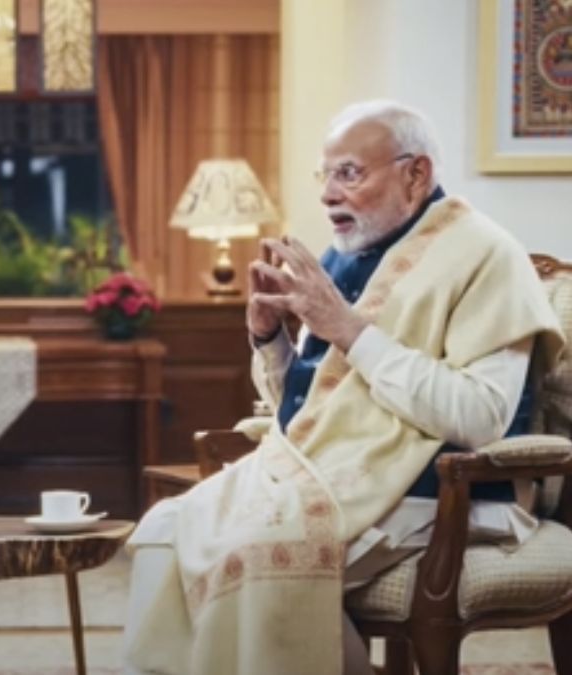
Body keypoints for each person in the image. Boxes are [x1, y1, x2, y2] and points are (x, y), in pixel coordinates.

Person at [122, 100, 565, 675]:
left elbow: (481, 418)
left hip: (443, 490)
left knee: (256, 557)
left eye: (349, 174)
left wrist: (350, 331)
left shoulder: (486, 256)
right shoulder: (344, 254)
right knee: (165, 532)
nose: (329, 194)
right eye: (325, 175)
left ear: (416, 174)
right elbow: (314, 409)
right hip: (333, 473)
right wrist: (270, 341)